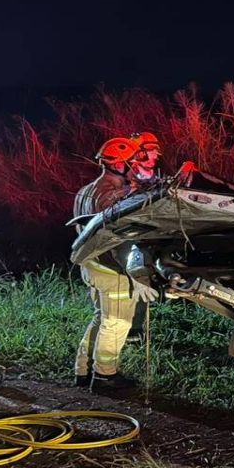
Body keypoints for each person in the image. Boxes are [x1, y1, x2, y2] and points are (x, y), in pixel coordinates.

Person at [73, 136, 155, 390]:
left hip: (90, 264)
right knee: (117, 322)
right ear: (119, 165)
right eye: (132, 162)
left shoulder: (86, 190)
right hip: (112, 268)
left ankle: (83, 371)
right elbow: (119, 241)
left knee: (101, 318)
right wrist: (136, 277)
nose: (136, 167)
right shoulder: (114, 197)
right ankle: (105, 376)